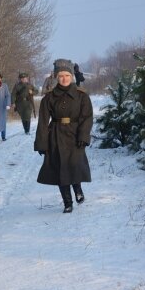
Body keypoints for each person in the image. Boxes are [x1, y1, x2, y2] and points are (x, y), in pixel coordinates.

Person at [34, 59, 92, 213]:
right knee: (60, 169)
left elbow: (87, 117)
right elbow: (43, 121)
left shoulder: (82, 96)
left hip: (75, 135)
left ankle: (78, 189)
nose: (64, 78)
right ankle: (67, 202)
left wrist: (83, 136)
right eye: (61, 76)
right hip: (56, 135)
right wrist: (42, 143)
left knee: (74, 165)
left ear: (72, 76)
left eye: (67, 75)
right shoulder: (49, 97)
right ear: (56, 77)